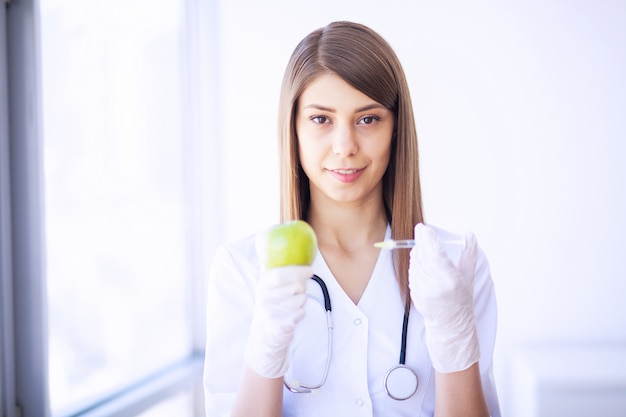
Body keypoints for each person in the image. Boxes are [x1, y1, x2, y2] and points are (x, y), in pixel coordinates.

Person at [203, 21, 500, 417]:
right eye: (321, 119)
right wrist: (265, 348)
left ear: (396, 128)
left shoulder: (455, 265)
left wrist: (455, 340)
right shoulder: (242, 269)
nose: (345, 146)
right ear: (293, 127)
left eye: (368, 119)